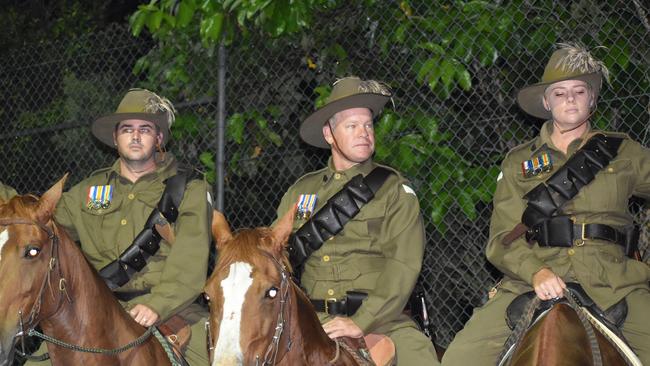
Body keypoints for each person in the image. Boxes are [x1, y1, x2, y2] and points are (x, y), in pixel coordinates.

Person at [442, 43, 650, 365]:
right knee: (458, 358)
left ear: (592, 99)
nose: (570, 99)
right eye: (559, 93)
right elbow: (500, 241)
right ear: (546, 102)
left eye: (579, 91)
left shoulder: (625, 153)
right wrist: (535, 271)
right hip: (532, 276)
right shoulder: (518, 162)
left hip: (612, 279)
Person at [27, 88, 212, 365]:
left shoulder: (189, 190)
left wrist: (157, 305)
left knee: (219, 357)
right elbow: (35, 228)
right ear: (115, 138)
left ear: (159, 138)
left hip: (173, 311)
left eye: (145, 129)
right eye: (127, 129)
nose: (135, 136)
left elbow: (191, 259)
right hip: (92, 311)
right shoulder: (86, 192)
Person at [275, 76, 440, 364]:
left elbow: (404, 264)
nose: (364, 133)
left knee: (421, 357)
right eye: (352, 126)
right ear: (329, 134)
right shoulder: (300, 192)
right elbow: (275, 260)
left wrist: (361, 321)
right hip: (312, 318)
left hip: (383, 319)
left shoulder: (394, 189)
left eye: (368, 124)